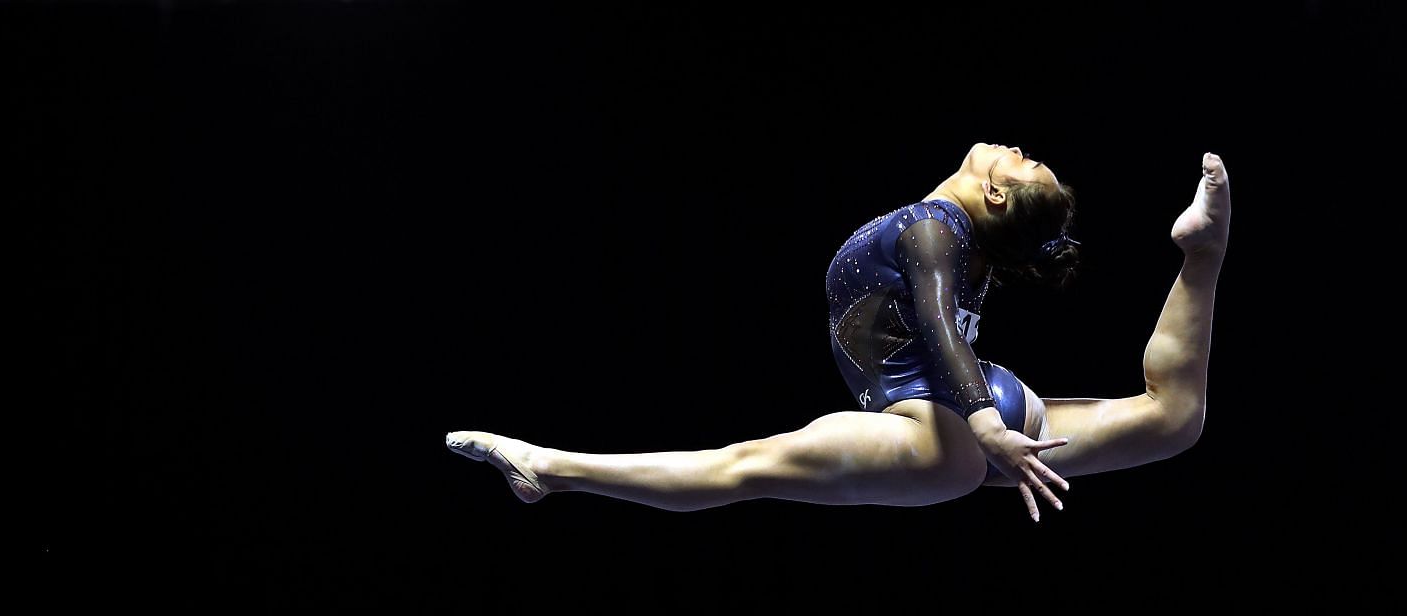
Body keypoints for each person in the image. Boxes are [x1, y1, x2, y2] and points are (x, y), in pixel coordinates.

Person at [446, 145, 1229, 524]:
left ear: (991, 191)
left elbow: (931, 317)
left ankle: (549, 465)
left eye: (1023, 164)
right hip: (981, 412)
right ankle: (1203, 253)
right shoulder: (970, 244)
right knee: (1173, 417)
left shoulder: (934, 226)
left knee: (740, 467)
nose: (1016, 150)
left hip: (944, 427)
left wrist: (985, 428)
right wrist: (993, 421)